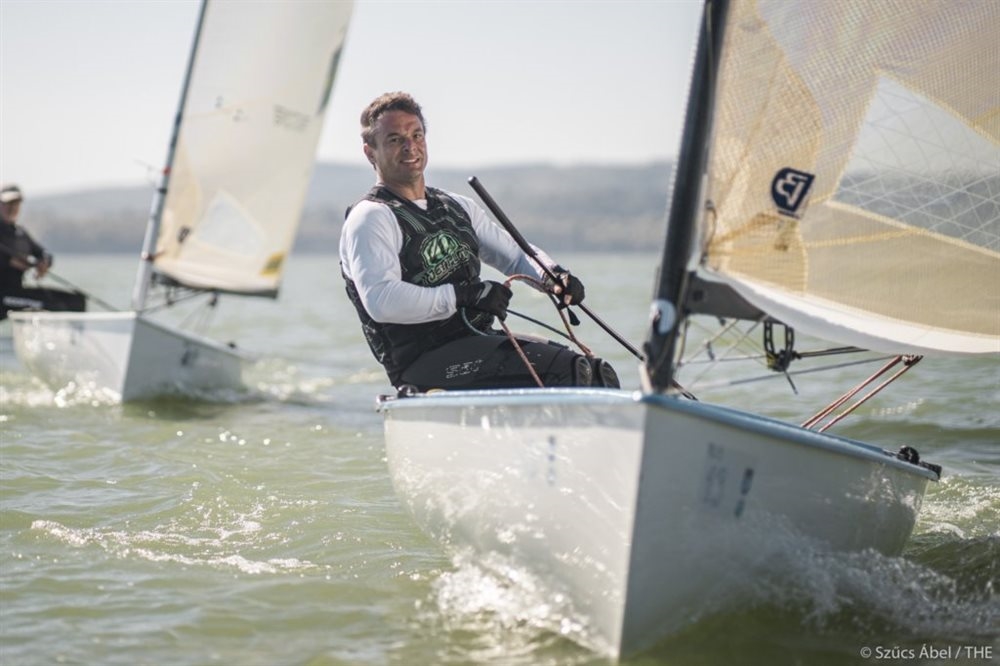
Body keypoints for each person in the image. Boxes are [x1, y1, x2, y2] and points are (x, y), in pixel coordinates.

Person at [339, 92, 619, 392]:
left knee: (596, 373)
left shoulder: (457, 206)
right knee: (567, 372)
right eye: (395, 139)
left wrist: (553, 277)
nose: (410, 147)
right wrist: (463, 296)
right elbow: (381, 301)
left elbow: (514, 256)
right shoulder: (371, 217)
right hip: (424, 362)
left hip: (477, 341)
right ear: (370, 152)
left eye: (416, 135)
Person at [1, 184, 86, 319]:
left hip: (17, 291)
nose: (12, 208)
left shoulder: (20, 234)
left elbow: (44, 253)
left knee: (76, 301)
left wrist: (44, 262)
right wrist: (9, 262)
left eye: (16, 204)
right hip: (3, 296)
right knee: (53, 306)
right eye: (8, 204)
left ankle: (75, 332)